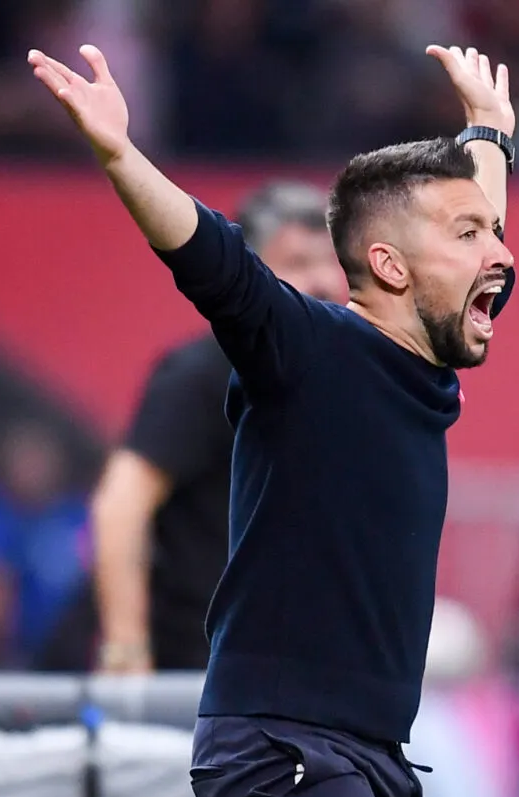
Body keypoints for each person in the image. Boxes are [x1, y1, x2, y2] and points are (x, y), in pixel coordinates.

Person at [28, 38, 515, 797]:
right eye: (470, 233)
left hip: (368, 764)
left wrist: (491, 133)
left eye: (493, 229)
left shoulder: (425, 369)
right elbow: (215, 259)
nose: (500, 252)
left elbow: (466, 241)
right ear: (394, 268)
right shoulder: (311, 348)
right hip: (283, 750)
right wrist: (119, 154)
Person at [89, 181, 347, 676]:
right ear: (247, 274)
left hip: (291, 671)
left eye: (328, 261)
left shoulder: (329, 375)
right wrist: (125, 648)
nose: (322, 281)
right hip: (203, 676)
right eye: (297, 262)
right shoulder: (204, 373)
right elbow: (118, 508)